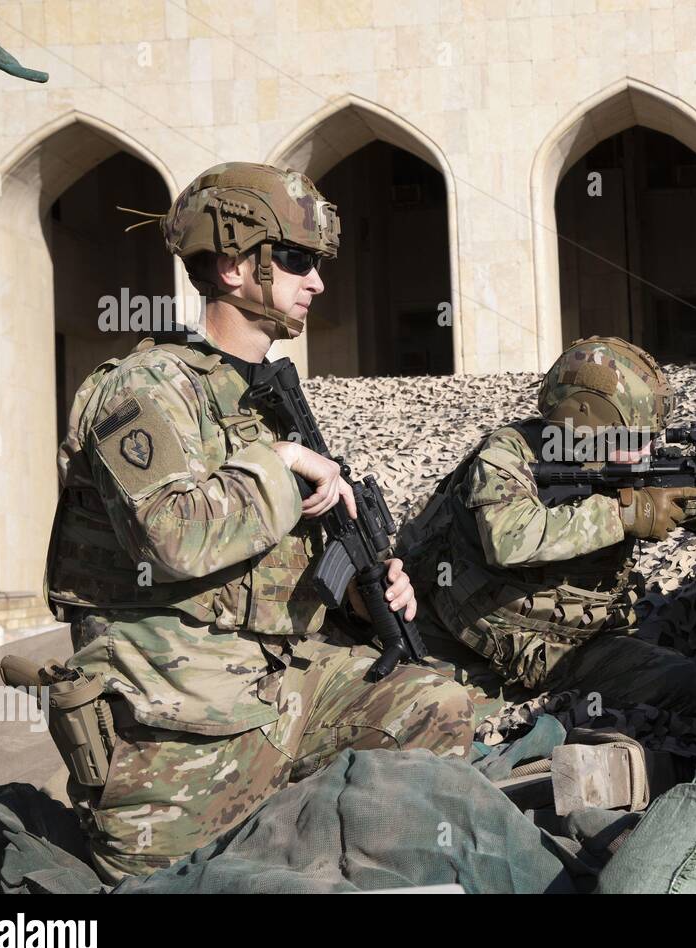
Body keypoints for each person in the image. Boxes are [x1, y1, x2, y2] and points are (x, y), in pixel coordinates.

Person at [43, 162, 474, 882]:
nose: (318, 282)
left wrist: (367, 595)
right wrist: (278, 462)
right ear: (236, 265)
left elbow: (276, 580)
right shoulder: (143, 389)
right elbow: (171, 535)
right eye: (299, 260)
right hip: (178, 734)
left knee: (435, 702)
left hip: (275, 695)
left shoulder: (264, 397)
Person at [400, 336, 696, 717]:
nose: (645, 452)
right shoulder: (508, 453)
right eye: (633, 438)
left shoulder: (616, 463)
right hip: (476, 648)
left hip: (575, 637)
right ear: (585, 421)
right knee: (676, 681)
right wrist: (624, 514)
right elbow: (509, 538)